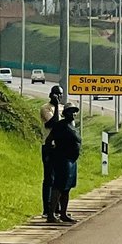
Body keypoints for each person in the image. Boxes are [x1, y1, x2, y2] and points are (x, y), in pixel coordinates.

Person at [47, 105, 83, 224]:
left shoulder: (72, 126)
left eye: (74, 112)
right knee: (59, 186)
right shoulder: (60, 125)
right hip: (63, 159)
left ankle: (63, 213)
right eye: (70, 111)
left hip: (72, 160)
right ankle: (51, 214)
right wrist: (50, 155)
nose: (73, 114)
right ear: (65, 113)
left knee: (67, 188)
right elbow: (49, 140)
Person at [39, 86, 64, 223]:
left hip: (60, 147)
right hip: (49, 146)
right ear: (51, 95)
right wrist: (56, 107)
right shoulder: (45, 108)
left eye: (60, 94)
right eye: (56, 94)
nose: (58, 97)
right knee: (49, 177)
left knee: (59, 178)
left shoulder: (62, 108)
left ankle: (57, 208)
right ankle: (46, 209)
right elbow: (53, 124)